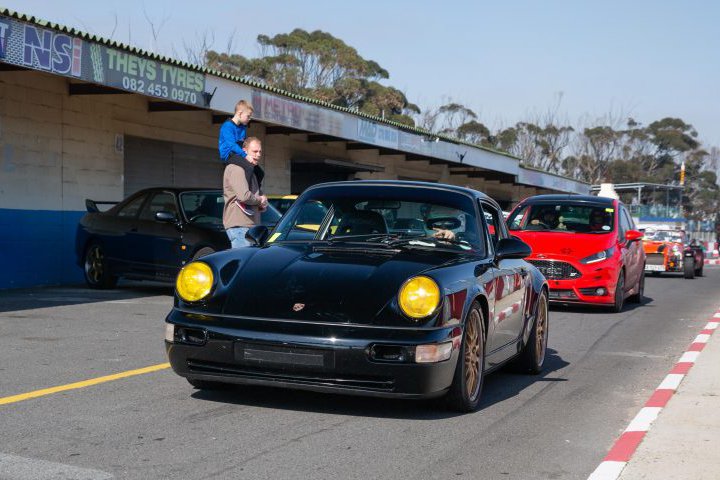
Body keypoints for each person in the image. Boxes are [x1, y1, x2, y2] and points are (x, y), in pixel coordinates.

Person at [223, 137, 268, 248]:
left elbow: (256, 195)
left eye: (260, 152)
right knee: (242, 264)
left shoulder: (250, 171)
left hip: (250, 226)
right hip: (240, 227)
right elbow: (244, 196)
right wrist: (259, 201)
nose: (258, 155)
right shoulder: (237, 168)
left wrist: (263, 201)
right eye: (255, 151)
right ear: (244, 151)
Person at [218, 100, 253, 166]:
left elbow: (244, 143)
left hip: (238, 154)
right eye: (248, 116)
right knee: (249, 167)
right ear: (240, 114)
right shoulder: (227, 126)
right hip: (228, 155)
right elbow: (232, 145)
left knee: (259, 172)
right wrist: (245, 156)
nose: (249, 119)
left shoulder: (243, 127)